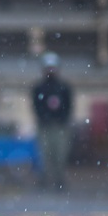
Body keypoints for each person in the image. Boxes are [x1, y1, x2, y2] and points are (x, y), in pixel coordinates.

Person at [31, 52, 73, 191]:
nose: (50, 71)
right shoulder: (38, 88)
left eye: (53, 68)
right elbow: (36, 106)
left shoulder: (64, 87)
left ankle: (59, 180)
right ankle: (44, 180)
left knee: (60, 154)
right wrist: (43, 119)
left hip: (60, 126)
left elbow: (69, 106)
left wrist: (62, 120)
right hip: (45, 126)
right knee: (45, 154)